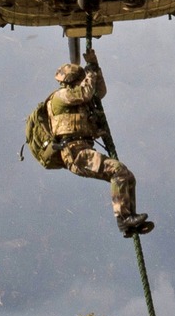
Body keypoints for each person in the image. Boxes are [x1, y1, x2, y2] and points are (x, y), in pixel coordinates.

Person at [42, 46, 152, 237]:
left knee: (127, 176)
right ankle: (123, 219)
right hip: (75, 153)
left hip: (82, 149)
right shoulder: (60, 97)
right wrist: (91, 71)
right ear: (71, 82)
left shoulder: (78, 99)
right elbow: (86, 92)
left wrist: (94, 66)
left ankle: (129, 221)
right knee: (118, 171)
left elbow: (98, 92)